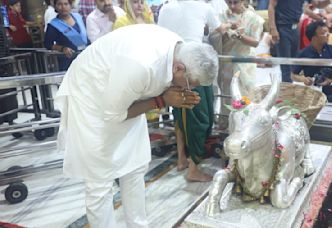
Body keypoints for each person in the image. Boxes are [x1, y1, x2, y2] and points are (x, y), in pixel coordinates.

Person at [55, 24, 219, 227]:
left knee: (134, 166)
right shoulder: (141, 64)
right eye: (191, 83)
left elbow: (134, 101)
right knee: (99, 179)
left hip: (125, 93)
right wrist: (162, 101)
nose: (190, 89)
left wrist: (166, 96)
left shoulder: (180, 50)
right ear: (179, 68)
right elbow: (114, 114)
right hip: (92, 96)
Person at [158, 0, 231, 181]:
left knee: (180, 114)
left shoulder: (165, 8)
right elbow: (221, 29)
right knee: (200, 118)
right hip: (195, 66)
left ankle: (182, 158)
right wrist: (230, 24)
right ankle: (193, 168)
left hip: (173, 66)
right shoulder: (203, 7)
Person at [215, 0, 264, 129]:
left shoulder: (253, 18)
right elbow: (215, 35)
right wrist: (227, 29)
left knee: (245, 94)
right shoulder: (221, 16)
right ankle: (225, 126)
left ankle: (245, 127)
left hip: (245, 64)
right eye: (229, 2)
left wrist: (239, 36)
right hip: (226, 64)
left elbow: (255, 42)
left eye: (235, 2)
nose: (231, 6)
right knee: (226, 95)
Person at [292, 21, 332, 103]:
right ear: (314, 37)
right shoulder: (303, 53)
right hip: (312, 93)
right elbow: (293, 74)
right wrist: (303, 79)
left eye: (328, 32)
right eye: (323, 33)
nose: (328, 35)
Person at [268, 0, 324, 82]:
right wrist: (273, 28)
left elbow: (316, 4)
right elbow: (271, 6)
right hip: (282, 28)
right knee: (286, 66)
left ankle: (291, 90)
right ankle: (288, 93)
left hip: (295, 29)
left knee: (294, 66)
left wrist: (330, 2)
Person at [44, 0, 89, 71]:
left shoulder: (79, 17)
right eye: (59, 4)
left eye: (66, 4)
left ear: (70, 5)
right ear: (55, 7)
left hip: (85, 57)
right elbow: (48, 44)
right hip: (67, 59)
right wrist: (62, 48)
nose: (63, 7)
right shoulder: (53, 25)